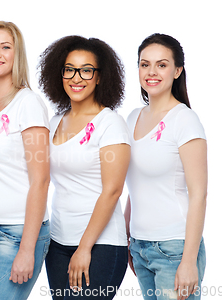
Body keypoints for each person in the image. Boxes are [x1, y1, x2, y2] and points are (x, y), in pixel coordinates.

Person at [39, 36, 130, 299]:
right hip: (57, 242)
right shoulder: (54, 122)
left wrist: (84, 247)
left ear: (100, 77)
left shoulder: (110, 123)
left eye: (86, 70)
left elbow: (113, 191)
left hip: (100, 245)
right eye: (69, 69)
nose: (76, 77)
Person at [0, 21, 51, 300]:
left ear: (17, 55)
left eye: (5, 47)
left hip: (14, 235)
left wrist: (27, 248)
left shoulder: (27, 104)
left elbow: (41, 179)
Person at [125, 33, 207, 300]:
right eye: (144, 64)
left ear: (177, 70)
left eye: (161, 65)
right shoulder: (133, 117)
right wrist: (128, 237)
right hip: (139, 246)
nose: (151, 72)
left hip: (174, 247)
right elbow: (135, 184)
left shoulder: (185, 120)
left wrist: (188, 260)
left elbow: (199, 194)